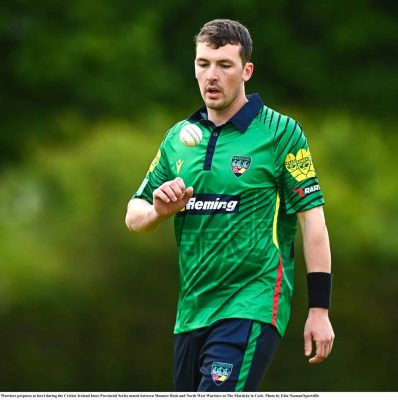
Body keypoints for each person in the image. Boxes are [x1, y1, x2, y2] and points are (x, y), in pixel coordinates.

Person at [125, 19, 334, 392]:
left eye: (224, 65)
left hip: (251, 304)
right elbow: (134, 215)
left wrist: (319, 309)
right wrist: (159, 210)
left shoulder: (280, 133)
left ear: (246, 70)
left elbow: (312, 219)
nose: (211, 76)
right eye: (203, 64)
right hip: (191, 312)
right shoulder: (177, 139)